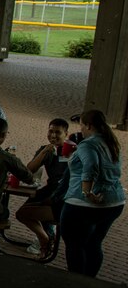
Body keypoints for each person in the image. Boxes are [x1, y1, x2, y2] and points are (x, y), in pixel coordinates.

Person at [56, 109, 124, 277]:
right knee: (94, 243)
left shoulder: (88, 144)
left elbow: (91, 167)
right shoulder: (111, 142)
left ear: (89, 125)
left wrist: (87, 192)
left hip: (82, 203)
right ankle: (90, 281)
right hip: (114, 202)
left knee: (74, 243)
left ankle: (77, 281)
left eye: (82, 126)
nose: (81, 130)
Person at [15, 118, 72, 259]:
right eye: (51, 131)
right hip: (49, 188)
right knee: (22, 212)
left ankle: (46, 240)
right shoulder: (46, 150)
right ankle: (44, 237)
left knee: (28, 212)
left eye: (57, 132)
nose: (53, 135)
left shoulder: (72, 151)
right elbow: (29, 170)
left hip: (62, 194)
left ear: (66, 134)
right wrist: (43, 153)